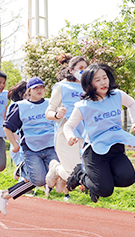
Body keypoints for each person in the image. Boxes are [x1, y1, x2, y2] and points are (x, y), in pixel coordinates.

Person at [63, 63, 135, 203]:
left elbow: (131, 103)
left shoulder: (117, 95)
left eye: (104, 78)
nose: (103, 82)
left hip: (116, 148)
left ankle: (99, 182)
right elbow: (68, 126)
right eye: (97, 80)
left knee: (128, 178)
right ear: (89, 83)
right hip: (95, 151)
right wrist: (70, 136)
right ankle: (80, 174)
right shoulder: (83, 106)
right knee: (105, 190)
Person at [0, 77, 59, 215]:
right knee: (39, 180)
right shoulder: (21, 106)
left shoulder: (51, 104)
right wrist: (15, 145)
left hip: (51, 146)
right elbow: (7, 127)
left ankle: (5, 194)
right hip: (31, 149)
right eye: (36, 88)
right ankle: (23, 169)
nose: (40, 90)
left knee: (49, 178)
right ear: (29, 90)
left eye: (41, 87)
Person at [45, 54, 89, 201]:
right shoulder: (61, 86)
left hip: (86, 132)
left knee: (84, 171)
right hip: (66, 131)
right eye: (81, 68)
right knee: (74, 175)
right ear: (71, 70)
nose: (84, 71)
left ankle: (57, 169)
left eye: (86, 68)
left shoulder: (89, 87)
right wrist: (57, 114)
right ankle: (56, 169)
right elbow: (49, 112)